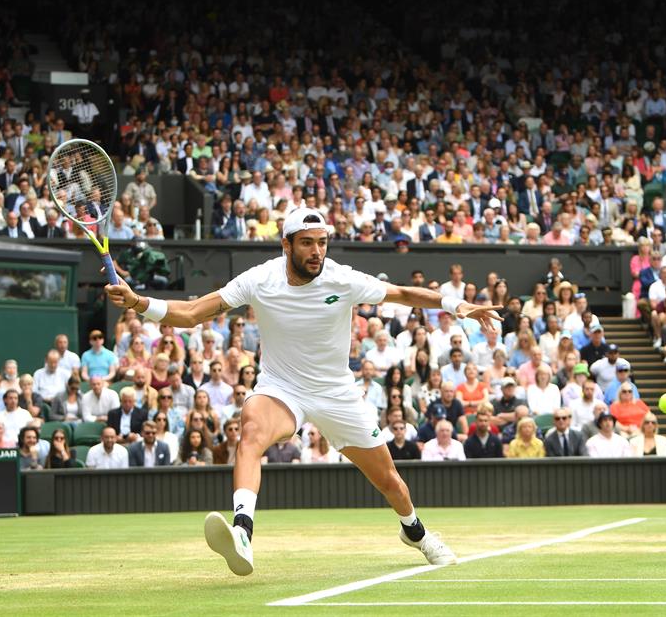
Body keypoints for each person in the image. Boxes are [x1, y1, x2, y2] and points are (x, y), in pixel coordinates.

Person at [106, 208, 501, 573]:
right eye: (308, 242)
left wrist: (454, 304)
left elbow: (402, 293)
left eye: (322, 242)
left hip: (337, 394)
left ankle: (415, 532)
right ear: (287, 245)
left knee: (391, 483)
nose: (317, 251)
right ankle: (243, 532)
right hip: (282, 388)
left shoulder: (342, 278)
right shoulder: (260, 279)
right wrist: (140, 302)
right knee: (251, 433)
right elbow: (192, 313)